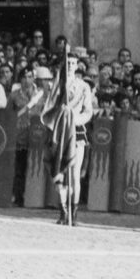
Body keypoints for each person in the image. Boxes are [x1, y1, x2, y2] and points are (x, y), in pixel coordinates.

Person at [41, 48, 96, 225]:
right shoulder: (57, 85)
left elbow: (88, 112)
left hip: (76, 132)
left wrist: (74, 120)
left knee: (74, 173)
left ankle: (75, 212)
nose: (70, 66)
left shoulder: (84, 86)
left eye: (73, 63)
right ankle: (63, 211)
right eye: (68, 63)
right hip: (58, 131)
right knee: (59, 173)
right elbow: (49, 107)